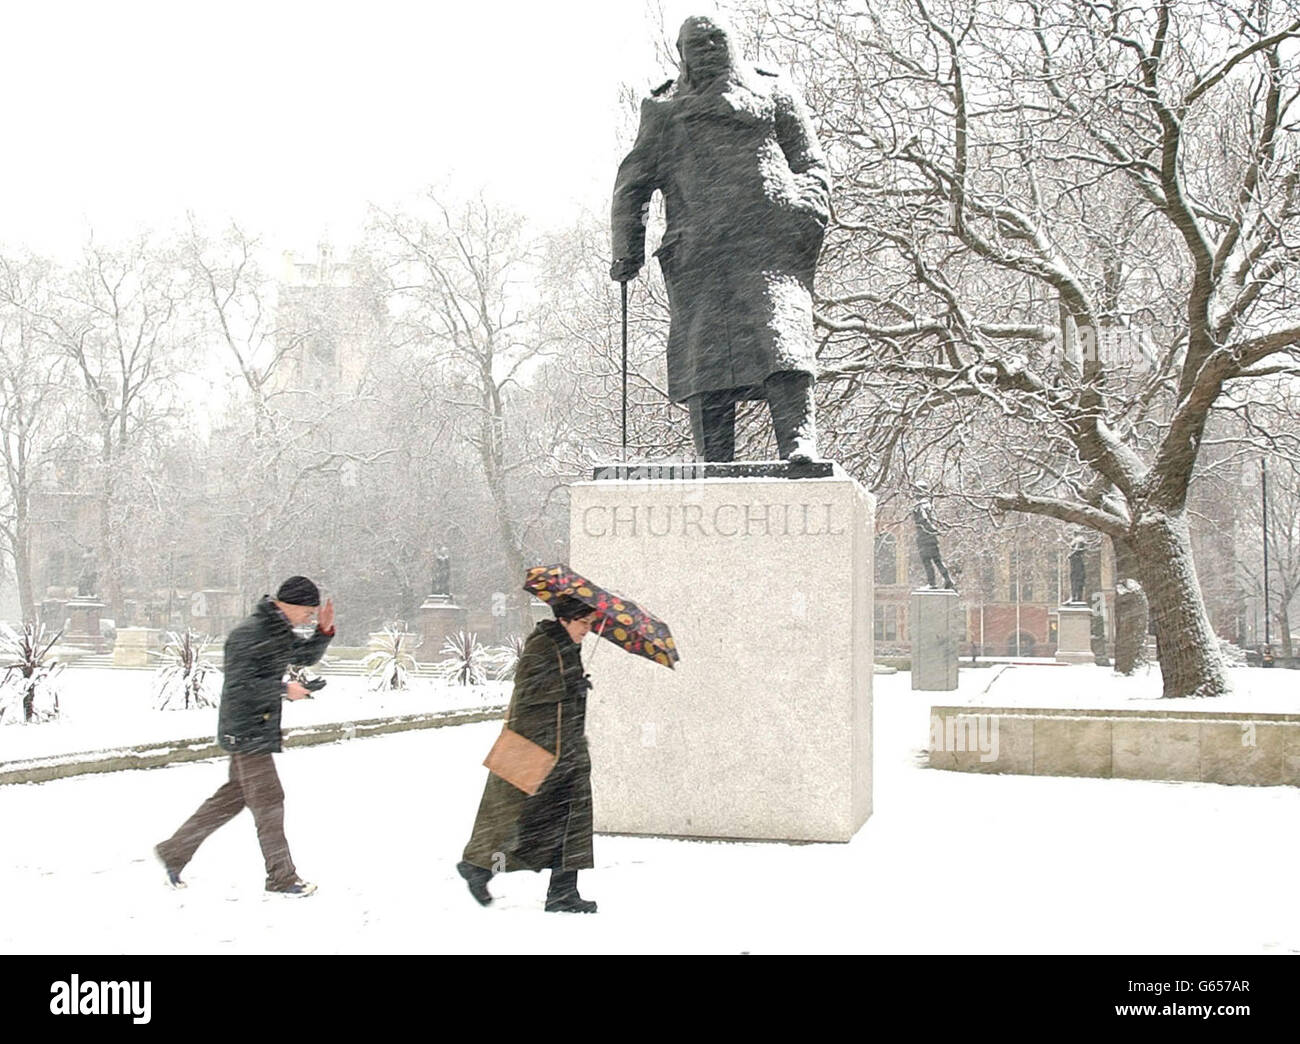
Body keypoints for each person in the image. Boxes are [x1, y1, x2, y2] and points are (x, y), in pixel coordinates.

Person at [610, 14, 831, 463]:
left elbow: (811, 162)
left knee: (782, 338)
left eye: (716, 39)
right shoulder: (664, 111)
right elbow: (632, 182)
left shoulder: (774, 92)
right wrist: (626, 251)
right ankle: (715, 460)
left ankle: (798, 441)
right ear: (682, 53)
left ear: (732, 44)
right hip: (700, 253)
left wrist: (806, 208)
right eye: (697, 43)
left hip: (768, 246)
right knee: (705, 358)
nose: (708, 48)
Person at [154, 576, 335, 896]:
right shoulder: (250, 633)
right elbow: (239, 686)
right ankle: (281, 877)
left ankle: (175, 851)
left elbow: (303, 656)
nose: (309, 618)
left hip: (255, 727)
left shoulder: (276, 630)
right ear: (291, 605)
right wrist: (283, 688)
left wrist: (323, 632)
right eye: (308, 612)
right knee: (269, 801)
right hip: (245, 730)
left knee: (232, 798)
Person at [457, 595, 599, 913]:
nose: (588, 630)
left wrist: (574, 685)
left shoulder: (567, 646)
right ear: (565, 619)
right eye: (583, 622)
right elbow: (528, 689)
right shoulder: (542, 644)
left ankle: (563, 893)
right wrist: (567, 685)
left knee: (569, 821)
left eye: (590, 623)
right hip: (533, 749)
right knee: (513, 818)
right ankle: (477, 868)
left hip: (566, 752)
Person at [913, 486, 955, 590]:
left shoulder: (920, 506)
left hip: (925, 538)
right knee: (937, 560)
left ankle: (932, 583)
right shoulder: (929, 505)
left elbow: (925, 520)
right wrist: (935, 530)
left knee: (927, 561)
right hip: (931, 538)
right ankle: (948, 579)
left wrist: (930, 530)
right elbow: (934, 520)